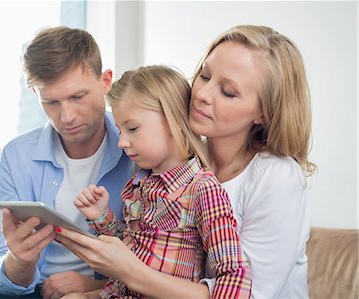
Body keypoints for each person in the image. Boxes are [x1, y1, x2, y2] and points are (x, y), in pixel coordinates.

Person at [56, 25, 314, 299]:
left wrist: (127, 272)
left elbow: (246, 293)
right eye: (204, 75)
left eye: (227, 91)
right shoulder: (172, 167)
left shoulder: (278, 178)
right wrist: (95, 286)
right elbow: (157, 257)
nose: (202, 94)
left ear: (264, 112)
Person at [0, 26, 132, 298]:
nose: (66, 116)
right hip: (37, 291)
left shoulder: (137, 150)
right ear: (36, 95)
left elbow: (164, 258)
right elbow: (7, 278)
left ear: (105, 82)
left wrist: (95, 288)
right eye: (51, 102)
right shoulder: (16, 156)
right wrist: (20, 260)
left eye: (77, 97)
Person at [67, 65, 252, 298]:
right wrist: (101, 216)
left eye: (132, 128)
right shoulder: (138, 185)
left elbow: (234, 275)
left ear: (174, 121)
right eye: (120, 130)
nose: (121, 142)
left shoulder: (202, 190)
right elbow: (129, 252)